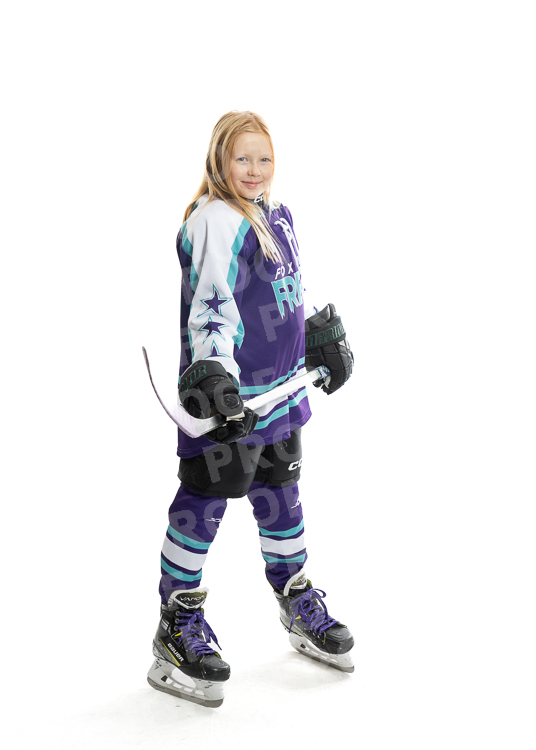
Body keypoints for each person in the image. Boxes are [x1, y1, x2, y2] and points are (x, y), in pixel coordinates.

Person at [147, 111, 354, 708]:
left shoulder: (276, 213)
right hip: (231, 403)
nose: (255, 169)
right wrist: (214, 373)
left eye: (264, 158)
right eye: (242, 158)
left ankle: (295, 596)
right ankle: (175, 623)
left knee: (281, 494)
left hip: (281, 394)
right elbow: (211, 302)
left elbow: (285, 291)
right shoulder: (214, 220)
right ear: (220, 160)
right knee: (204, 502)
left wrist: (311, 337)